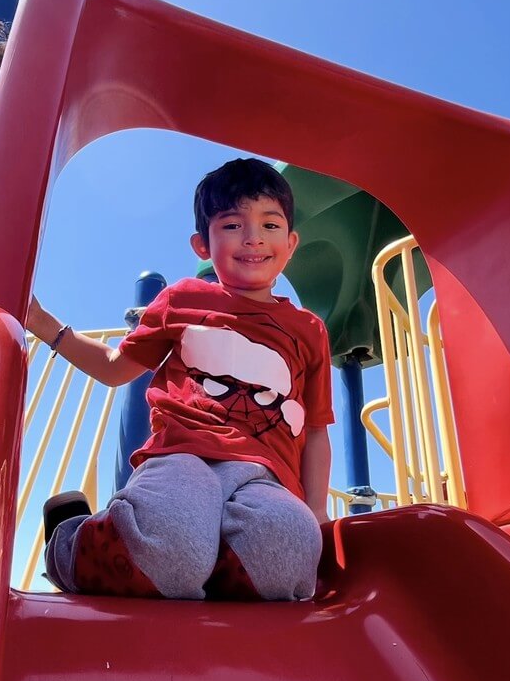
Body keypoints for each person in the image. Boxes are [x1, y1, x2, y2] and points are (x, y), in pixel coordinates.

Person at [27, 158, 334, 601]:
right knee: (168, 546)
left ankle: (194, 569)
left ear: (290, 243)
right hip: (182, 455)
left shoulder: (307, 329)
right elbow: (116, 368)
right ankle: (70, 539)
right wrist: (44, 325)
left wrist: (318, 508)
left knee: (291, 551)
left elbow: (317, 428)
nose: (253, 238)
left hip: (266, 474)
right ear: (202, 244)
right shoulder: (183, 299)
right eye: (231, 225)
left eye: (269, 224)